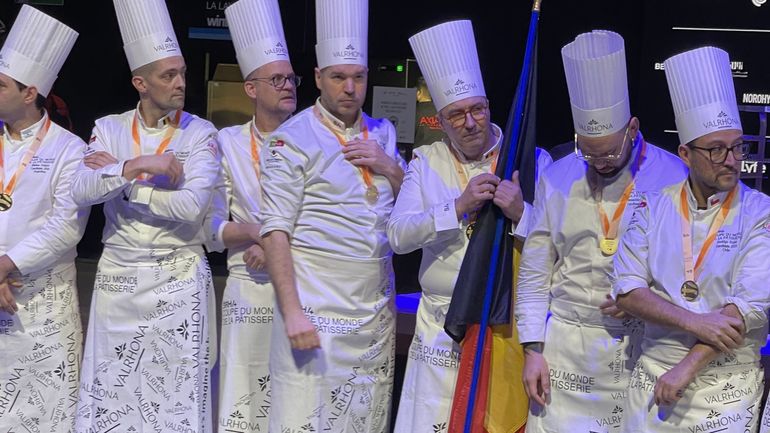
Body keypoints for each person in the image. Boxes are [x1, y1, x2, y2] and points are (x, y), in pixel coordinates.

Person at [515, 30, 688, 432]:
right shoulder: (557, 178)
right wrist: (532, 350)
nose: (601, 162)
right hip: (563, 347)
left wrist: (643, 297)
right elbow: (536, 271)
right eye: (588, 152)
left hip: (636, 347)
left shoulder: (671, 176)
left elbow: (685, 267)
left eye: (609, 151)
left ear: (633, 128)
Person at [389, 19, 551, 432]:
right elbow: (398, 236)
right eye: (457, 115)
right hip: (437, 329)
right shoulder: (427, 163)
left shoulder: (532, 162)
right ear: (440, 122)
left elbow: (557, 247)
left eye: (477, 109)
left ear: (489, 107)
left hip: (499, 328)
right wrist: (457, 206)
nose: (471, 122)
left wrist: (522, 214)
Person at [72, 0, 219, 430]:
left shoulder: (201, 132)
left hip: (178, 280)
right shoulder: (110, 127)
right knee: (112, 397)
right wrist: (139, 166)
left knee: (175, 401)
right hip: (119, 278)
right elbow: (81, 190)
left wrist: (125, 182)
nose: (180, 83)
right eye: (167, 75)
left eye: (182, 73)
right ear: (141, 82)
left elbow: (191, 207)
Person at [258, 0, 405, 430]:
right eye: (339, 78)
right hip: (316, 308)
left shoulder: (384, 132)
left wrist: (389, 166)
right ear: (319, 78)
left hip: (374, 311)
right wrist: (292, 312)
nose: (350, 88)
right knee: (305, 417)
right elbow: (275, 231)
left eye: (358, 77)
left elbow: (406, 207)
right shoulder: (291, 138)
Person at [612, 46, 770, 433]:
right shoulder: (652, 206)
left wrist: (687, 366)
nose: (731, 160)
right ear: (685, 152)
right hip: (653, 380)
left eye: (737, 146)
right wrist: (698, 323)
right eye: (716, 149)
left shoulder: (761, 211)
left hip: (726, 388)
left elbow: (745, 310)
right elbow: (627, 290)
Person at [203, 0, 297, 430]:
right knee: (243, 391)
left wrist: (277, 244)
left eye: (291, 77)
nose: (288, 86)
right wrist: (262, 234)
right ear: (251, 89)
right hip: (247, 288)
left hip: (304, 285)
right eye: (276, 79)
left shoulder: (315, 139)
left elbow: (327, 217)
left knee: (293, 394)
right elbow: (210, 228)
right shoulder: (227, 143)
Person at [0, 6, 87, 432]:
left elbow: (66, 226)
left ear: (29, 93)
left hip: (42, 304)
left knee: (44, 413)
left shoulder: (69, 149)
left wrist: (5, 264)